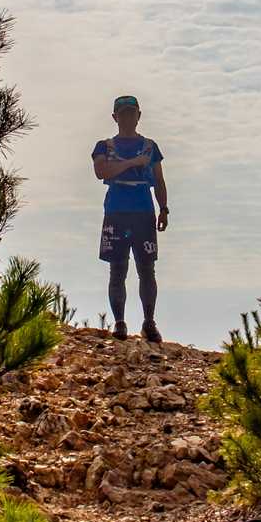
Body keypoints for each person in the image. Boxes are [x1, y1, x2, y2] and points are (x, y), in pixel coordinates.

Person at [91, 95, 169, 342]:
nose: (127, 118)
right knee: (118, 269)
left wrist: (164, 208)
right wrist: (134, 162)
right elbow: (101, 171)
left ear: (138, 116)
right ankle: (120, 323)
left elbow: (159, 180)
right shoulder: (104, 146)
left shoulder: (150, 146)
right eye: (123, 114)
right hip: (116, 212)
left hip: (143, 212)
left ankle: (149, 322)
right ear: (115, 117)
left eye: (131, 113)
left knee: (147, 269)